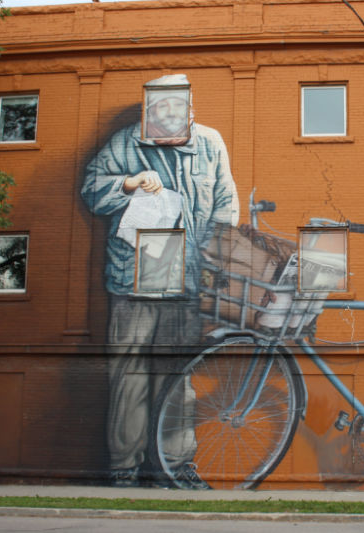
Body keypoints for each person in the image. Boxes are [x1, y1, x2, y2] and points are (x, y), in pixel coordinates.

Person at [81, 74, 239, 487]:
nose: (168, 113)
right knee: (127, 376)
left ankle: (176, 467)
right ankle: (124, 469)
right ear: (148, 109)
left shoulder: (210, 143)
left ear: (191, 109)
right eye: (160, 106)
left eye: (177, 105)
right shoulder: (124, 142)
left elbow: (226, 206)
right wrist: (128, 183)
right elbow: (91, 188)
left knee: (178, 376)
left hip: (186, 278)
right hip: (133, 276)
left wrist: (212, 262)